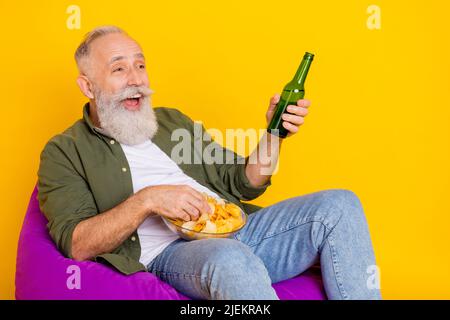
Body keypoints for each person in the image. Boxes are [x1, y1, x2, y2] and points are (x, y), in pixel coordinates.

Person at [37, 25, 381, 300]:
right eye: (119, 69)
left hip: (241, 230)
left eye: (140, 65)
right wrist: (149, 200)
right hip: (173, 254)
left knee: (340, 204)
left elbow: (240, 181)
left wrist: (275, 132)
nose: (136, 79)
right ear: (87, 85)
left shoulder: (171, 122)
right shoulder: (64, 151)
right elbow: (78, 243)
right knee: (231, 259)